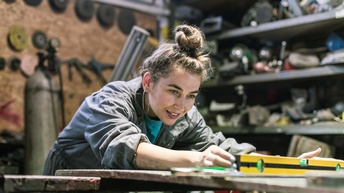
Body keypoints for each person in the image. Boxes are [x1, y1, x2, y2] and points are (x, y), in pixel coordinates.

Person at [43, 24, 321, 175]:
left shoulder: (186, 115)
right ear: (148, 81)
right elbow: (128, 150)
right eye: (174, 91)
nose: (181, 106)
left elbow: (221, 149)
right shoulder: (109, 100)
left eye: (191, 96)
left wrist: (289, 165)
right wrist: (197, 160)